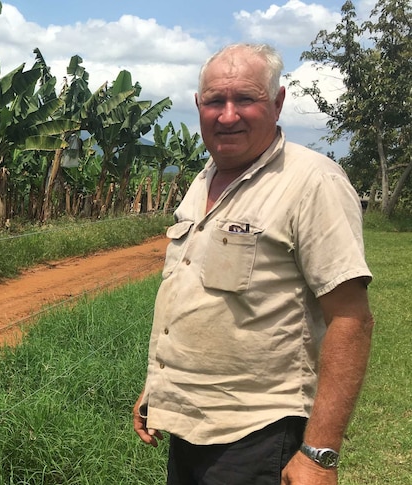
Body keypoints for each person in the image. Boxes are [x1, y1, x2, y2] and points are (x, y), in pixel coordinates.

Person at [132, 43, 374, 485]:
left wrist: (319, 455)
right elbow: (193, 298)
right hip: (188, 429)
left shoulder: (311, 182)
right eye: (215, 101)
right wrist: (158, 389)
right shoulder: (203, 179)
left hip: (258, 435)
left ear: (277, 102)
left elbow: (350, 318)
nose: (228, 115)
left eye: (245, 99)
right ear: (198, 106)